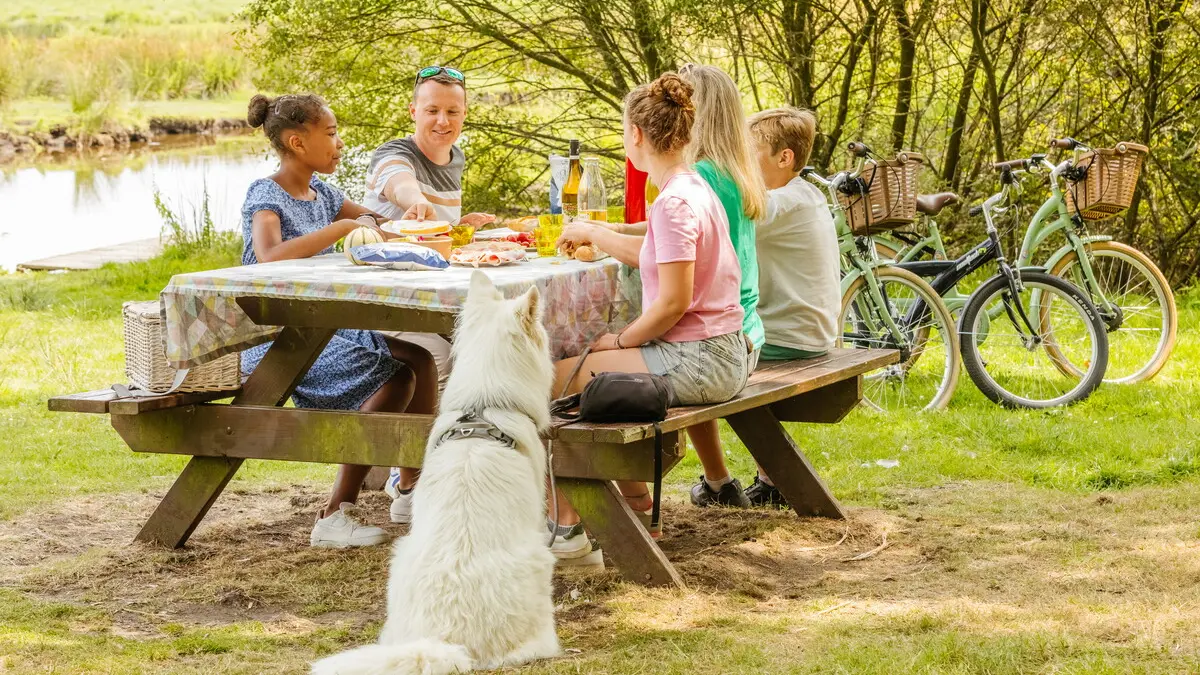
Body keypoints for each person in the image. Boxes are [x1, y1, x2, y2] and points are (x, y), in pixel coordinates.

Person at [550, 73, 752, 562]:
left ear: (636, 135)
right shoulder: (693, 187)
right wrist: (600, 232)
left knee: (555, 380)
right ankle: (639, 506)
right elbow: (660, 249)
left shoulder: (675, 201)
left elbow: (672, 303)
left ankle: (567, 530)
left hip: (701, 359)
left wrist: (621, 341)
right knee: (587, 375)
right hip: (721, 352)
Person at [239, 93, 438, 547]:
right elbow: (269, 255)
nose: (340, 143)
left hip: (325, 327)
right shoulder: (265, 194)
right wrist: (344, 228)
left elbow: (381, 224)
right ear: (297, 142)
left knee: (421, 361)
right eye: (330, 134)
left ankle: (410, 489)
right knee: (395, 377)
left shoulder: (324, 194)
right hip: (279, 339)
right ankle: (334, 513)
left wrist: (421, 220)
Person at [361, 66, 496, 522]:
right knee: (437, 357)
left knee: (488, 347)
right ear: (413, 111)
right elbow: (400, 183)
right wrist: (414, 199)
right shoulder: (393, 154)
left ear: (465, 114)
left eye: (453, 111)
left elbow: (432, 244)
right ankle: (410, 483)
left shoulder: (454, 158)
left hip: (431, 300)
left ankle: (466, 471)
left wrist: (460, 229)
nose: (443, 120)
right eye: (433, 110)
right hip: (384, 302)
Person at [676, 63, 769, 509]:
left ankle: (711, 481)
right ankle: (718, 483)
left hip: (725, 341)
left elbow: (672, 249)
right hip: (749, 330)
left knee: (668, 340)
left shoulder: (701, 176)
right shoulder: (735, 171)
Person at [739, 107, 841, 507]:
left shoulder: (784, 202)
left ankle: (728, 482)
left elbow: (708, 224)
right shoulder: (803, 195)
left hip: (790, 337)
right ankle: (760, 479)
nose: (742, 161)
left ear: (785, 158)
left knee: (695, 355)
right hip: (803, 331)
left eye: (750, 152)